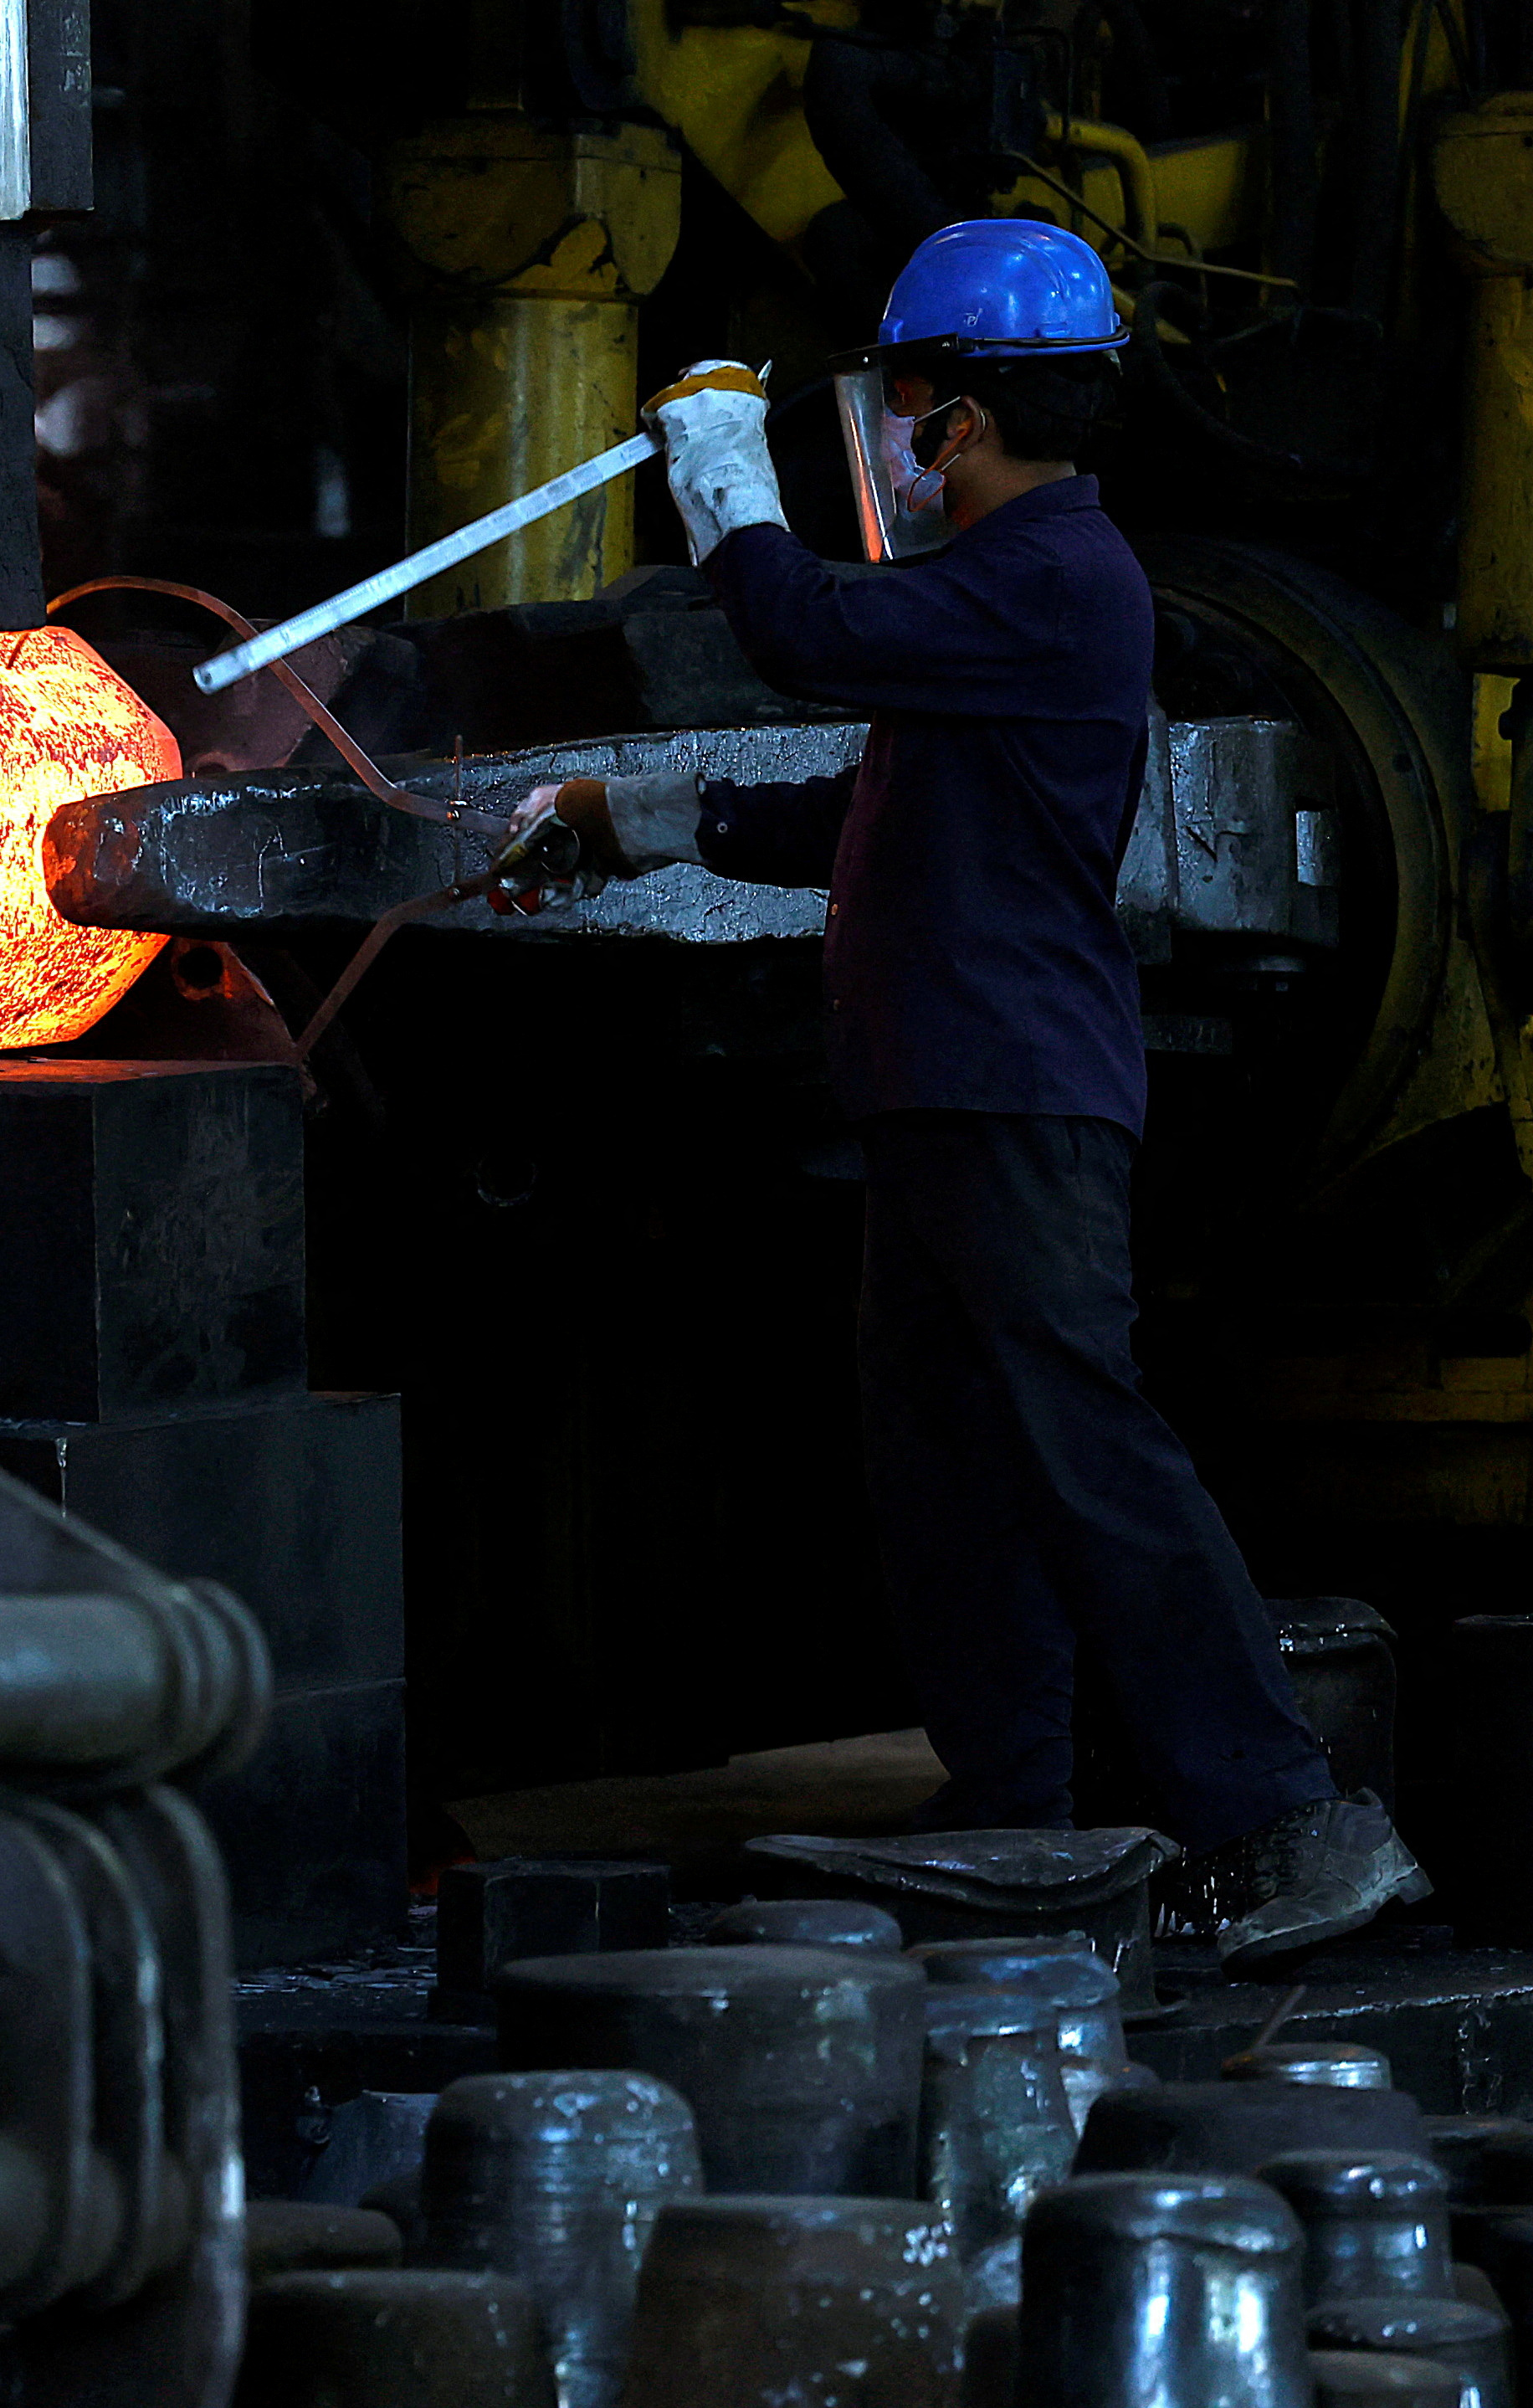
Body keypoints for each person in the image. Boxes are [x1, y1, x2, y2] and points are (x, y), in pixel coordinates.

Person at [516, 218, 1424, 1969]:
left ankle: (1293, 1817)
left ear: (951, 423)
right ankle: (1017, 1806)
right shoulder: (1004, 607)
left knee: (1082, 1442)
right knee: (950, 1460)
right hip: (945, 1087)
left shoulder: (1058, 578)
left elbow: (793, 629)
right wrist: (639, 824)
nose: (896, 442)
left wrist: (722, 467)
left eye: (903, 409)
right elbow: (865, 814)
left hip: (1010, 1086)